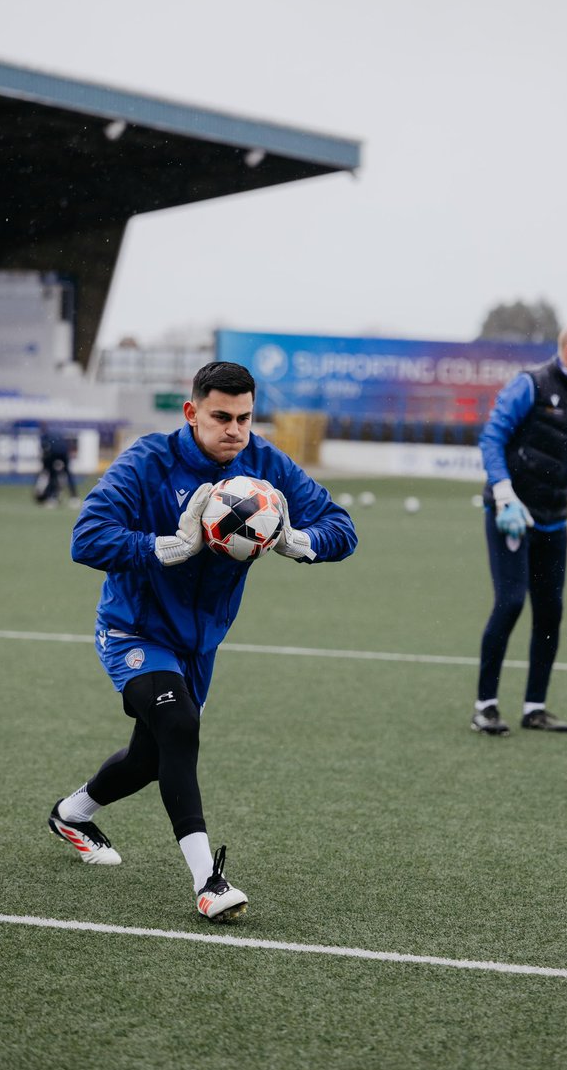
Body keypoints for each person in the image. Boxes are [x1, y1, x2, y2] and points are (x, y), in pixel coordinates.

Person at [48, 361, 357, 921]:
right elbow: (86, 539)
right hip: (133, 630)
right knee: (179, 727)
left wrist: (298, 540)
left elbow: (343, 527)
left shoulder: (265, 466)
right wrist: (166, 546)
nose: (234, 429)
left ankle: (71, 813)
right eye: (221, 417)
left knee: (150, 757)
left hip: (200, 644)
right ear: (191, 413)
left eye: (244, 417)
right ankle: (207, 883)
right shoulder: (148, 461)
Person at [470, 321, 567, 737]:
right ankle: (485, 707)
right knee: (511, 602)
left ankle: (535, 707)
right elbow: (491, 437)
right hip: (512, 514)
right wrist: (504, 494)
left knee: (551, 610)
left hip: (554, 518)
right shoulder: (528, 385)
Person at [35, 425, 80, 507]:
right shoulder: (57, 434)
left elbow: (44, 449)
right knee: (68, 474)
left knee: (52, 475)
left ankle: (53, 498)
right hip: (64, 452)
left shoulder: (45, 435)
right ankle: (74, 498)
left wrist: (46, 466)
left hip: (53, 452)